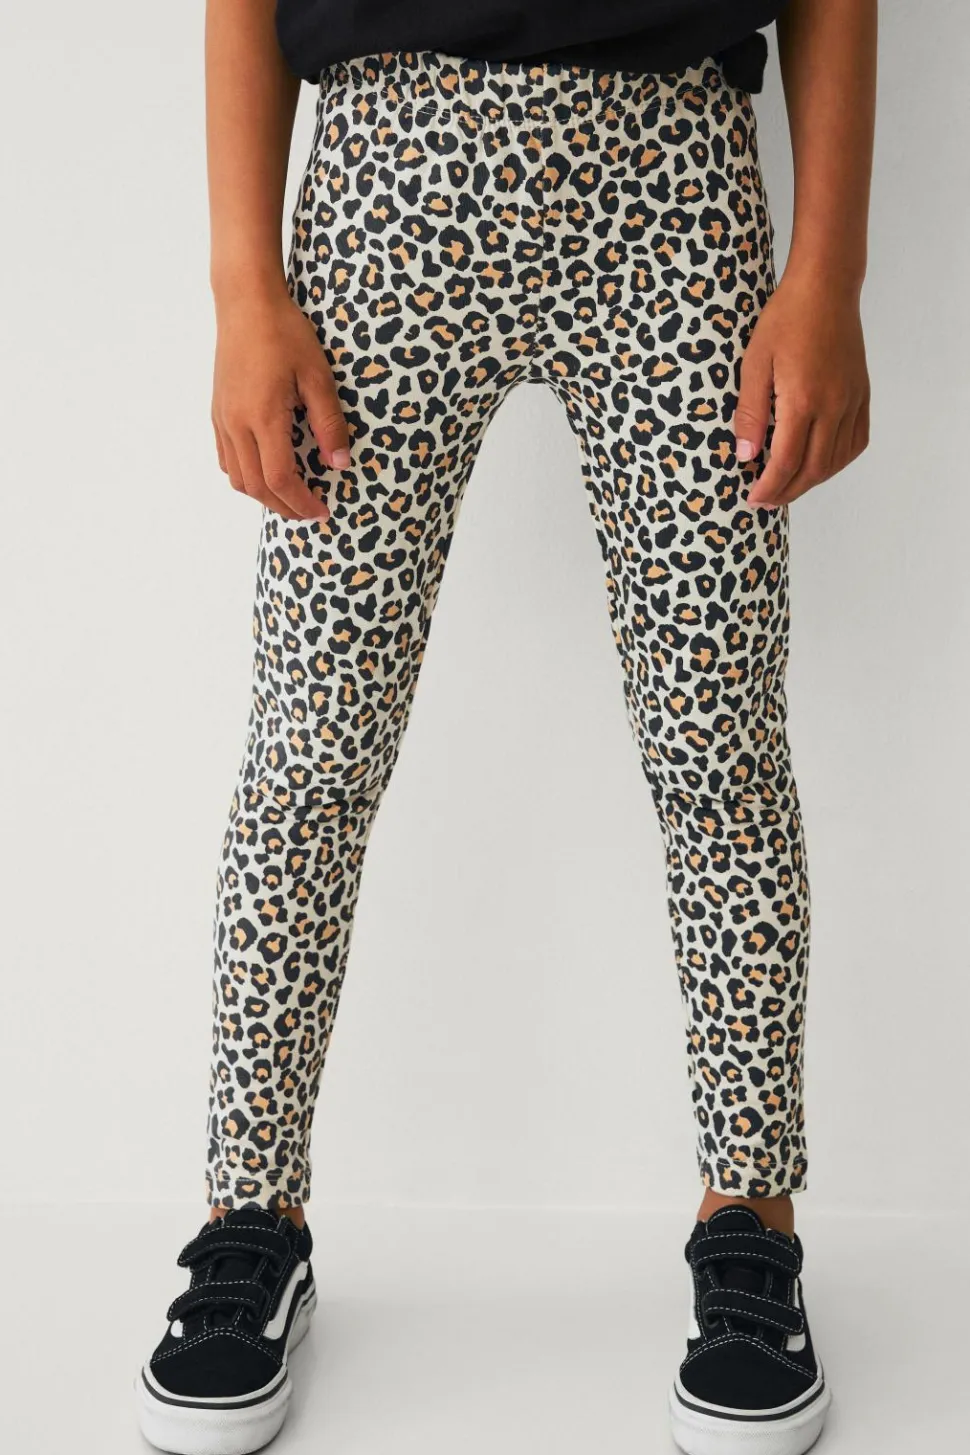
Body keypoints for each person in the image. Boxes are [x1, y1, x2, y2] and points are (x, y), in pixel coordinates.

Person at [135, 3, 876, 1452]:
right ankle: (248, 1215)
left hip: (672, 179)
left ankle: (751, 1220)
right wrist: (243, 285)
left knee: (717, 744)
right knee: (311, 749)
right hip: (386, 176)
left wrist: (828, 276)